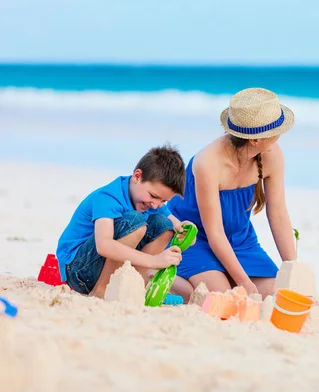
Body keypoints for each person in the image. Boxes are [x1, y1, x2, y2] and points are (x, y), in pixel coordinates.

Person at [167, 88, 298, 302]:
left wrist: (293, 269)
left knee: (279, 296)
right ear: (255, 140)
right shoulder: (208, 163)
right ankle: (161, 274)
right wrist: (244, 282)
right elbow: (215, 234)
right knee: (226, 298)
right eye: (276, 130)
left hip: (241, 239)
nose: (280, 135)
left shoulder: (272, 155)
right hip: (195, 238)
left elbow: (278, 214)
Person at [56, 144, 194, 300]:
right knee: (135, 221)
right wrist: (154, 261)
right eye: (153, 196)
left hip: (106, 265)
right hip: (79, 269)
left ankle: (135, 286)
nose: (156, 204)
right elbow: (104, 245)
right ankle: (101, 291)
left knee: (164, 225)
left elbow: (173, 223)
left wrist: (186, 232)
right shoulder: (108, 197)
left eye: (163, 201)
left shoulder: (149, 199)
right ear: (137, 176)